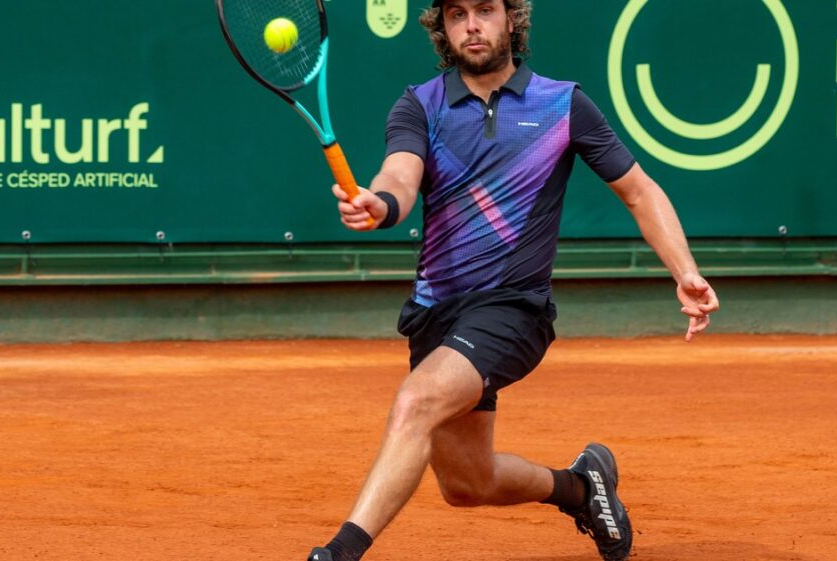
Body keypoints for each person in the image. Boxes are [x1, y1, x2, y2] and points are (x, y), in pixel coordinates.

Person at [308, 1, 719, 560]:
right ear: (442, 27)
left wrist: (685, 271)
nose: (472, 25)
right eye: (457, 14)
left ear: (511, 19)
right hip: (438, 315)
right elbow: (399, 175)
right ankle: (581, 487)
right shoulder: (419, 105)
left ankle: (339, 552)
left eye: (485, 9)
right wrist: (379, 204)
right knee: (467, 485)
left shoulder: (562, 104)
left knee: (416, 402)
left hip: (514, 310)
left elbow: (639, 190)